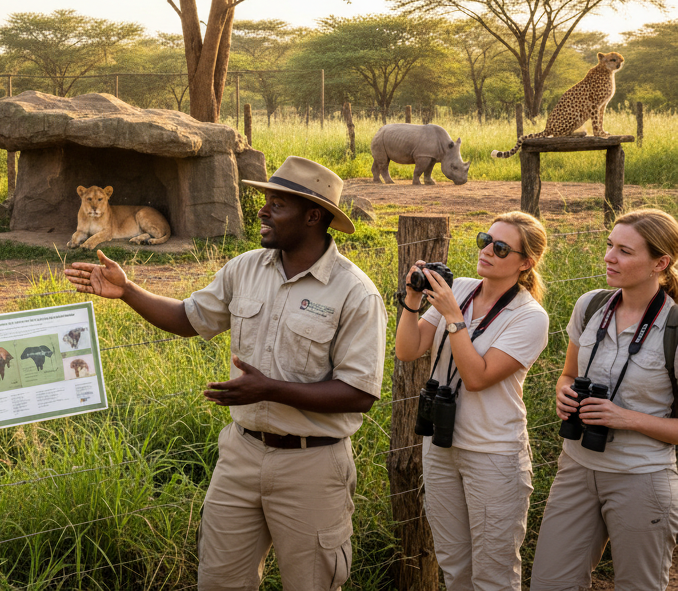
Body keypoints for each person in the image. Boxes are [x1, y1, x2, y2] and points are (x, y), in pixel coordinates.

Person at [65, 156, 385, 591]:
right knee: (219, 581)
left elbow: (358, 393)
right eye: (265, 201)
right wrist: (128, 291)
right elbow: (188, 318)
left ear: (313, 216)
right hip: (240, 456)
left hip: (313, 464)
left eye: (277, 204)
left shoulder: (355, 292)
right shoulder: (246, 268)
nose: (262, 210)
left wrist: (268, 389)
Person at [393, 211, 550, 591]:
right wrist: (413, 300)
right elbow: (408, 349)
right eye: (484, 240)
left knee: (493, 574)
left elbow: (477, 377)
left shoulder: (529, 316)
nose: (487, 251)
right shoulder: (460, 288)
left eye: (500, 248)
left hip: (493, 454)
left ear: (525, 263)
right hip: (441, 445)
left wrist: (452, 316)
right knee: (454, 565)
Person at [531, 208, 678, 591]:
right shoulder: (591, 306)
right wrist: (563, 393)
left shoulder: (673, 327)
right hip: (576, 467)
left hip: (641, 478)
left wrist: (624, 418)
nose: (609, 257)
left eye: (625, 251)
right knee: (549, 582)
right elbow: (567, 375)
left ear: (660, 263)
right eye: (610, 245)